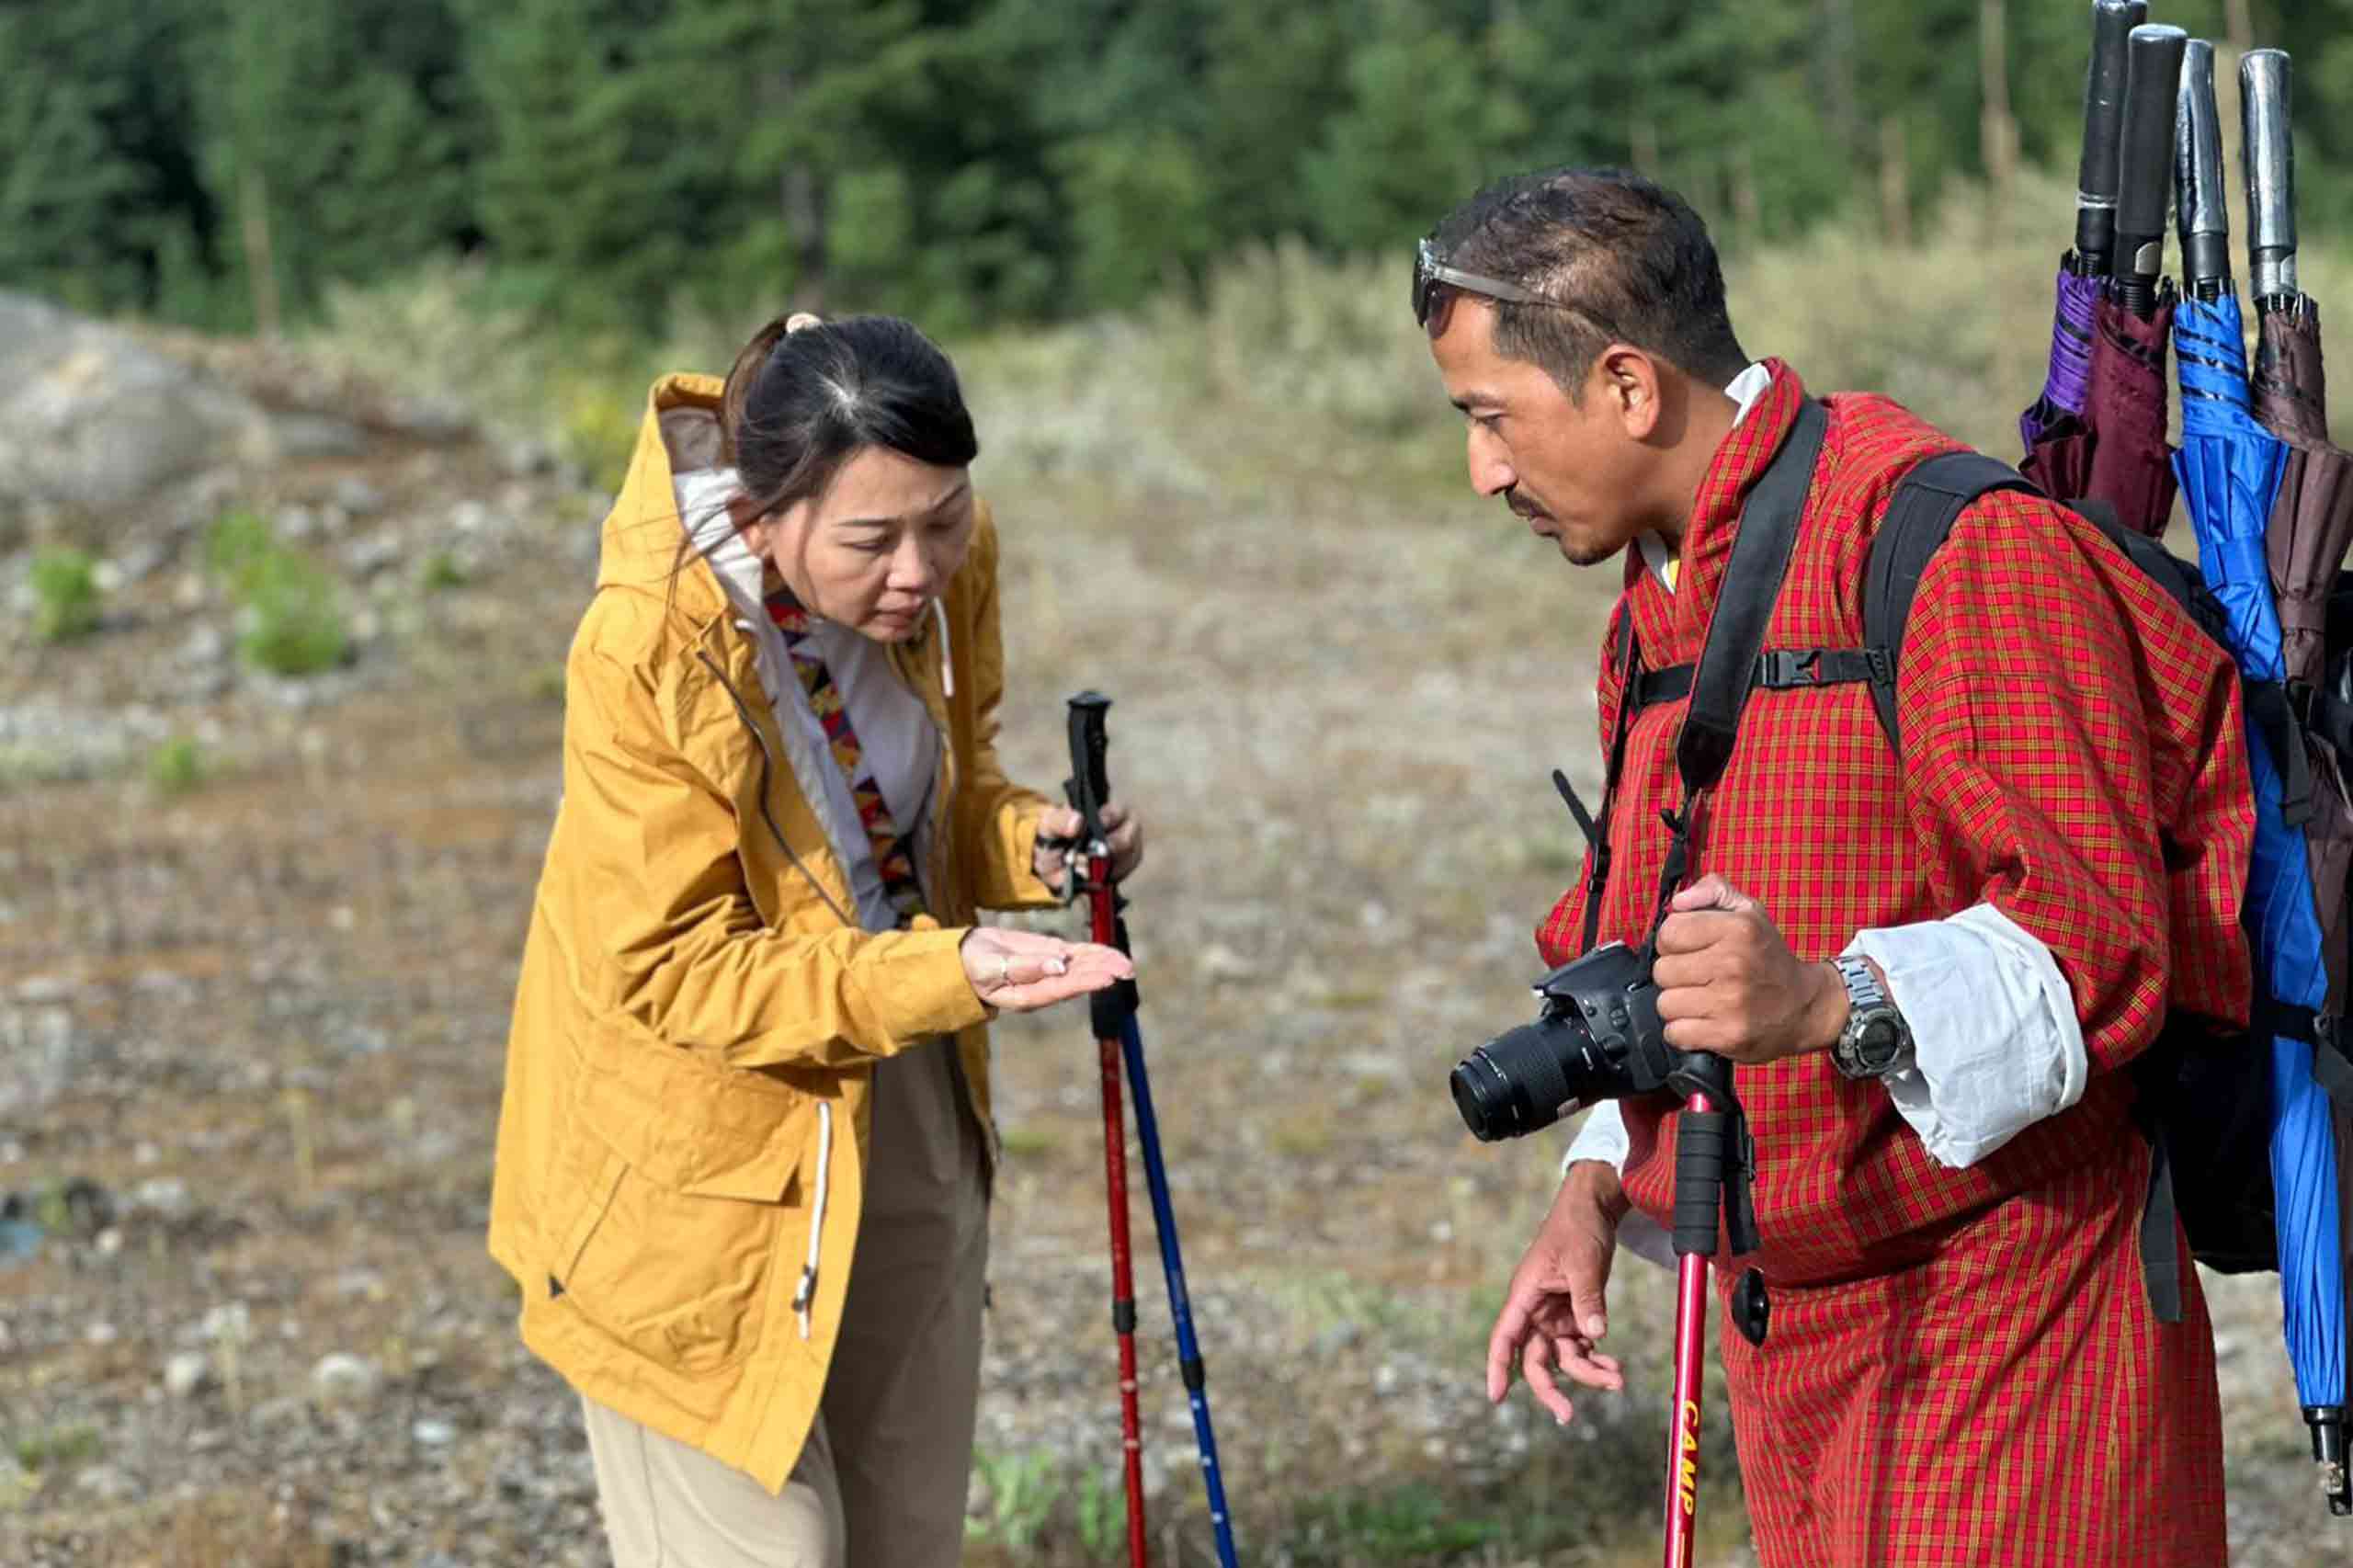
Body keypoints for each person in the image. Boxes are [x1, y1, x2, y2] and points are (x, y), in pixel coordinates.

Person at [1417, 168, 2252, 1566]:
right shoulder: (1654, 610)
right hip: (1794, 1356)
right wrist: (1592, 1189)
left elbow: (2100, 957)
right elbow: (1656, 965)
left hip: (2019, 1343)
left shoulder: (1951, 549)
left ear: (1628, 384)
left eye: (1492, 419)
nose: (1484, 473)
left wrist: (1822, 1003)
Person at [485, 311, 1142, 1568]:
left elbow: (938, 794)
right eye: (871, 540)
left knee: (904, 1535)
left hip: (902, 1081)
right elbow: (673, 963)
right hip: (691, 1152)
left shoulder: (952, 558)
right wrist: (946, 966)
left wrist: (1029, 845)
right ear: (761, 509)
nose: (920, 568)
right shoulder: (648, 643)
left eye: (944, 518)